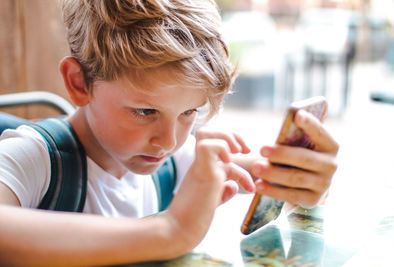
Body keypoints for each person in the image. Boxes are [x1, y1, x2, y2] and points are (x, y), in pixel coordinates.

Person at [0, 0, 339, 266]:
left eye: (189, 112)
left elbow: (265, 173)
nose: (170, 141)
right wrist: (169, 231)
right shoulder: (34, 160)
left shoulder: (175, 160)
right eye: (145, 112)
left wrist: (300, 178)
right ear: (79, 82)